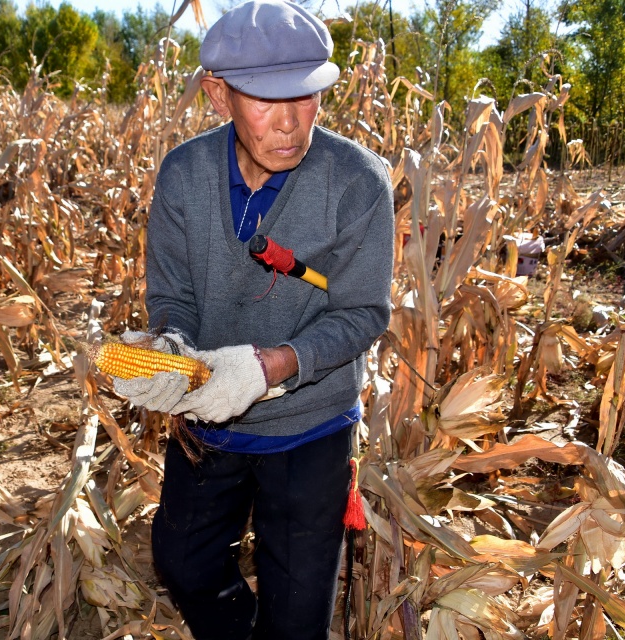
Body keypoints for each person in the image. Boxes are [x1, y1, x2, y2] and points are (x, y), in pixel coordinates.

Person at [111, 1, 395, 638]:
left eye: (307, 98)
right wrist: (174, 352)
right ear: (219, 95)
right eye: (266, 102)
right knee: (183, 563)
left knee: (298, 617)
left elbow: (361, 313)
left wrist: (271, 366)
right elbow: (175, 296)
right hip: (209, 418)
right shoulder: (184, 176)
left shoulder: (357, 183)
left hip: (310, 424)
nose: (291, 125)